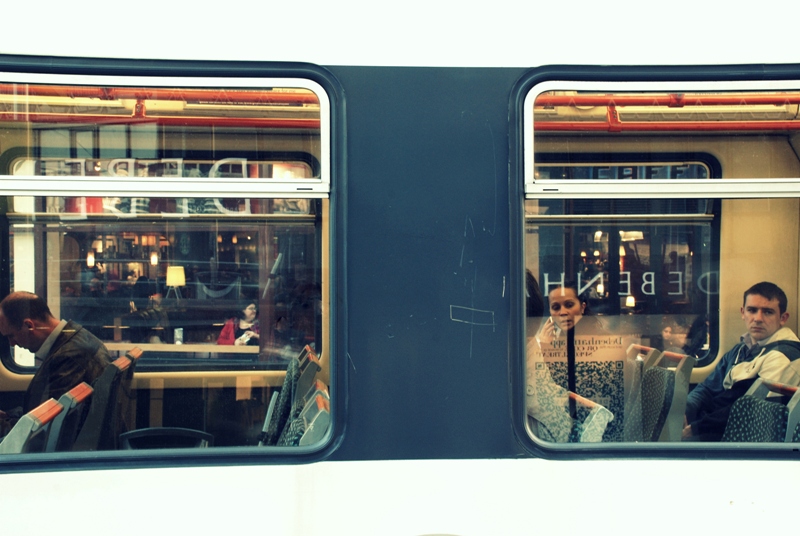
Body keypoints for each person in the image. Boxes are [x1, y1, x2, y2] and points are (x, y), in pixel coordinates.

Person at [683, 282, 800, 441]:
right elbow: (707, 388)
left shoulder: (785, 356)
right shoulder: (740, 350)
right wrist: (685, 410)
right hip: (717, 426)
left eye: (768, 312)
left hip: (743, 438)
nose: (758, 319)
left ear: (783, 318)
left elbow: (748, 411)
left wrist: (694, 429)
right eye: (752, 310)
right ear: (743, 313)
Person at [0, 291, 111, 421]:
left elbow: (48, 426)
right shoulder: (74, 341)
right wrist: (9, 417)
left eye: (11, 335)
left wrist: (5, 425)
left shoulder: (70, 358)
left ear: (29, 326)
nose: (12, 343)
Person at [526, 281, 612, 442]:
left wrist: (545, 348)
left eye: (569, 305)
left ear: (582, 307)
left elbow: (572, 385)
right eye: (556, 307)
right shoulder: (564, 339)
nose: (563, 312)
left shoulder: (592, 341)